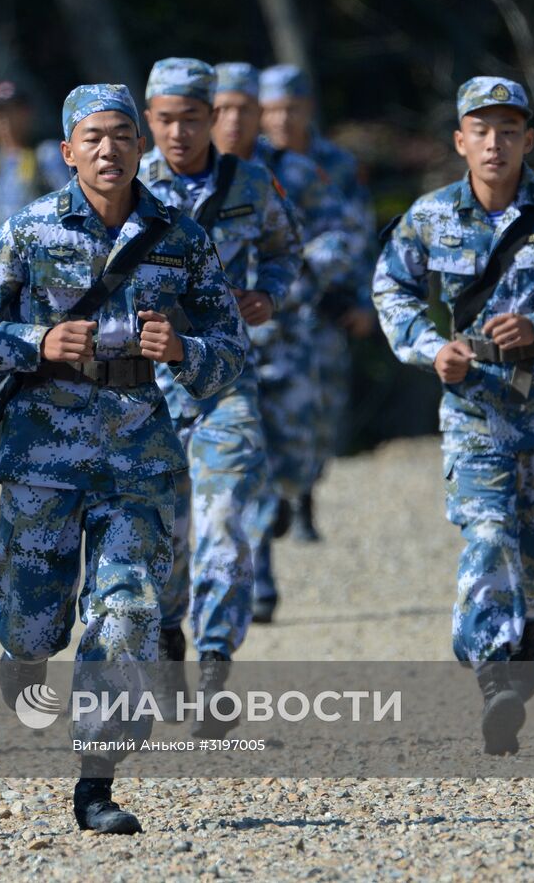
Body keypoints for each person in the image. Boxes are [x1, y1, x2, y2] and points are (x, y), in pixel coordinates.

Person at [0, 83, 246, 833]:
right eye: (93, 138)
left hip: (138, 449)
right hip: (43, 448)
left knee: (130, 608)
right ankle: (25, 656)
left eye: (122, 136)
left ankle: (96, 781)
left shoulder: (180, 236)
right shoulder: (29, 228)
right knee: (31, 620)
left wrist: (184, 350)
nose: (109, 150)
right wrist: (35, 343)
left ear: (140, 148)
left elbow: (231, 348)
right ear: (69, 150)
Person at [372, 77, 534, 754]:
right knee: (487, 535)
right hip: (473, 413)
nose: (495, 143)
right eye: (481, 130)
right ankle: (494, 679)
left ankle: (531, 637)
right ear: (460, 141)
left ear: (528, 139)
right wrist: (433, 350)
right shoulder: (430, 216)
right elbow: (390, 287)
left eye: (509, 130)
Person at [137, 58, 301, 715]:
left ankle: (215, 664)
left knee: (226, 518)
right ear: (149, 121)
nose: (179, 133)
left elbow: (287, 249)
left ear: (215, 119)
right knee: (166, 532)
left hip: (225, 378)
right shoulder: (125, 184)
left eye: (192, 119)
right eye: (166, 120)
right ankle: (171, 633)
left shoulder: (251, 183)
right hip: (144, 389)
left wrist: (270, 293)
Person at [213, 63, 356, 623]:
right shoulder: (189, 178)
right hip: (219, 349)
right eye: (219, 109)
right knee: (242, 461)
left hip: (290, 340)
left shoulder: (293, 172)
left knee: (295, 462)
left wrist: (290, 284)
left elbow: (339, 234)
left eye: (243, 109)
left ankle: (279, 503)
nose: (231, 121)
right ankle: (260, 580)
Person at [260, 63, 377, 541]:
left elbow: (363, 235)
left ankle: (306, 496)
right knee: (271, 406)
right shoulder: (252, 166)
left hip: (329, 307)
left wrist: (367, 301)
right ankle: (280, 499)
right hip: (273, 312)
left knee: (324, 408)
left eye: (292, 108)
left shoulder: (339, 165)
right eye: (272, 110)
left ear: (307, 108)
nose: (283, 119)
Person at [0, 81, 69, 235]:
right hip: (13, 251)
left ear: (27, 112)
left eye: (10, 110)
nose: (2, 118)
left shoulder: (48, 154)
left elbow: (73, 205)